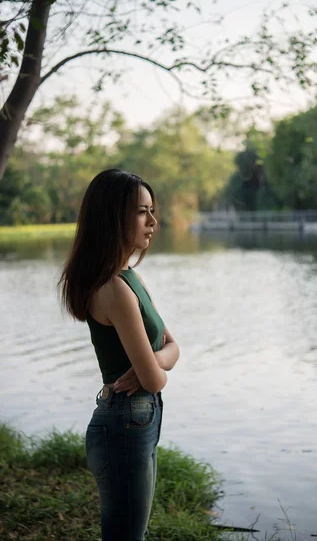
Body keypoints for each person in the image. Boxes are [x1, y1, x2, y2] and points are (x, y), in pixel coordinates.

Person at [58, 168, 180, 541]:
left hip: (137, 419)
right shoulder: (114, 289)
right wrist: (155, 363)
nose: (153, 222)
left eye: (152, 210)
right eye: (143, 211)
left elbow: (174, 347)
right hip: (125, 422)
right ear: (114, 217)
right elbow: (155, 378)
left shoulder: (130, 279)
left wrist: (155, 359)